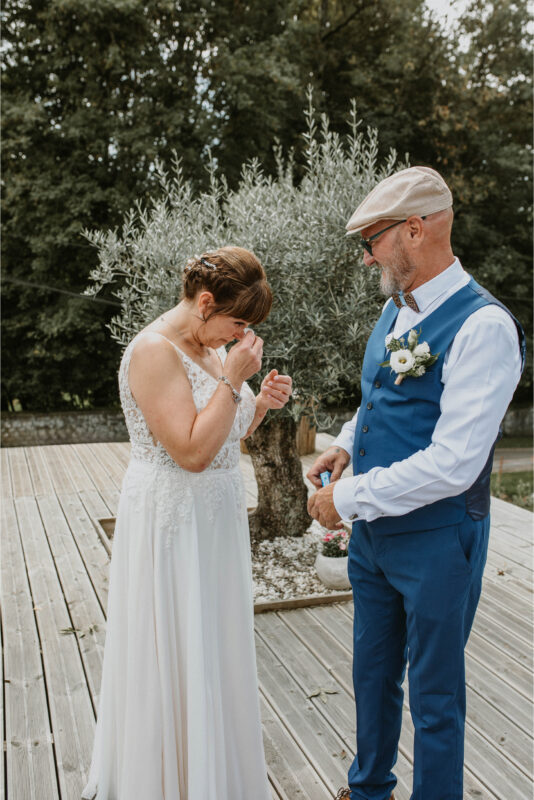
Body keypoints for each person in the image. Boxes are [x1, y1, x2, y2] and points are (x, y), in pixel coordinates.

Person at [307, 167, 525, 800]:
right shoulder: (393, 309)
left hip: (438, 539)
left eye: (371, 240)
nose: (367, 255)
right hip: (375, 537)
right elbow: (378, 397)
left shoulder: (483, 327)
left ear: (414, 230)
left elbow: (455, 462)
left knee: (434, 693)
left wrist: (340, 499)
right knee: (372, 673)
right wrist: (345, 446)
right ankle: (369, 788)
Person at [82, 246, 292, 800]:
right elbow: (191, 452)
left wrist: (260, 404)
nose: (239, 335)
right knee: (173, 646)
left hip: (215, 521)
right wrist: (233, 379)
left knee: (211, 643)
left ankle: (210, 772)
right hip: (170, 520)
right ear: (205, 303)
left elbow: (225, 438)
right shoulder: (155, 351)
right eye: (237, 322)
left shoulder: (209, 349)